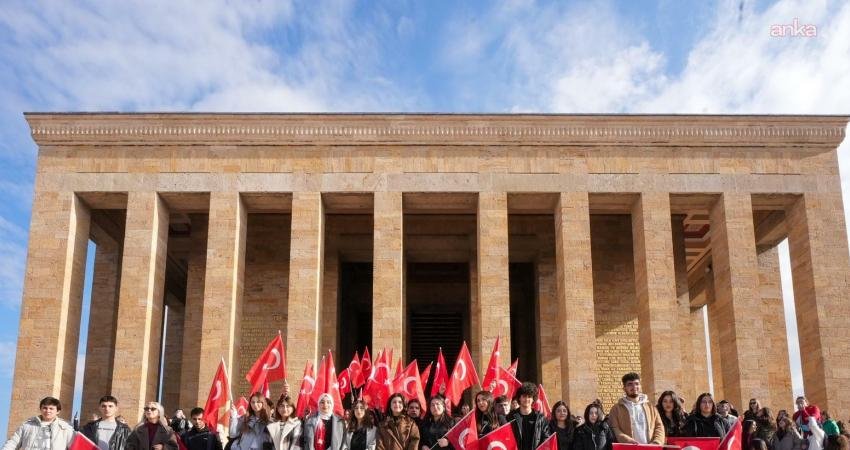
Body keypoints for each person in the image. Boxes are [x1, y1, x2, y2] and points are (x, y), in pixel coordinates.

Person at [607, 373, 664, 445]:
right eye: (630, 384)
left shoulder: (651, 408)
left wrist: (656, 442)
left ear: (640, 386)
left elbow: (659, 426)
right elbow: (614, 428)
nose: (634, 387)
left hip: (650, 448)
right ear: (624, 388)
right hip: (628, 448)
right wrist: (627, 440)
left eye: (637, 384)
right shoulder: (616, 409)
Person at [3, 397, 75, 450]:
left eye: (51, 408)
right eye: (45, 408)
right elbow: (13, 442)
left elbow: (75, 447)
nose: (47, 411)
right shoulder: (27, 425)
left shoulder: (66, 428)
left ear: (58, 411)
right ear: (40, 409)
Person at [508, 383, 552, 450]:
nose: (526, 399)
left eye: (529, 397)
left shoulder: (541, 418)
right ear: (519, 398)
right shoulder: (510, 417)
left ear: (533, 399)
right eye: (524, 396)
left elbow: (546, 439)